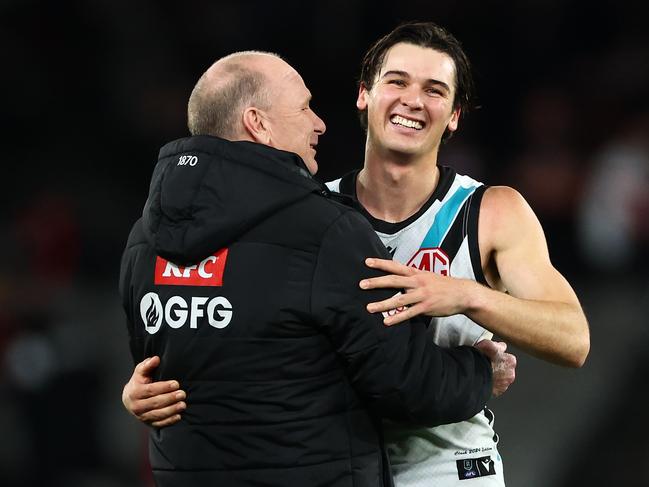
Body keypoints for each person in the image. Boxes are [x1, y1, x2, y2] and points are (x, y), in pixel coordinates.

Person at [119, 50, 515, 487]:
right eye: (304, 107)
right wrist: (482, 371)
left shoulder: (144, 239)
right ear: (259, 123)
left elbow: (160, 370)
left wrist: (133, 394)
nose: (319, 122)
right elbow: (405, 383)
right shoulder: (324, 230)